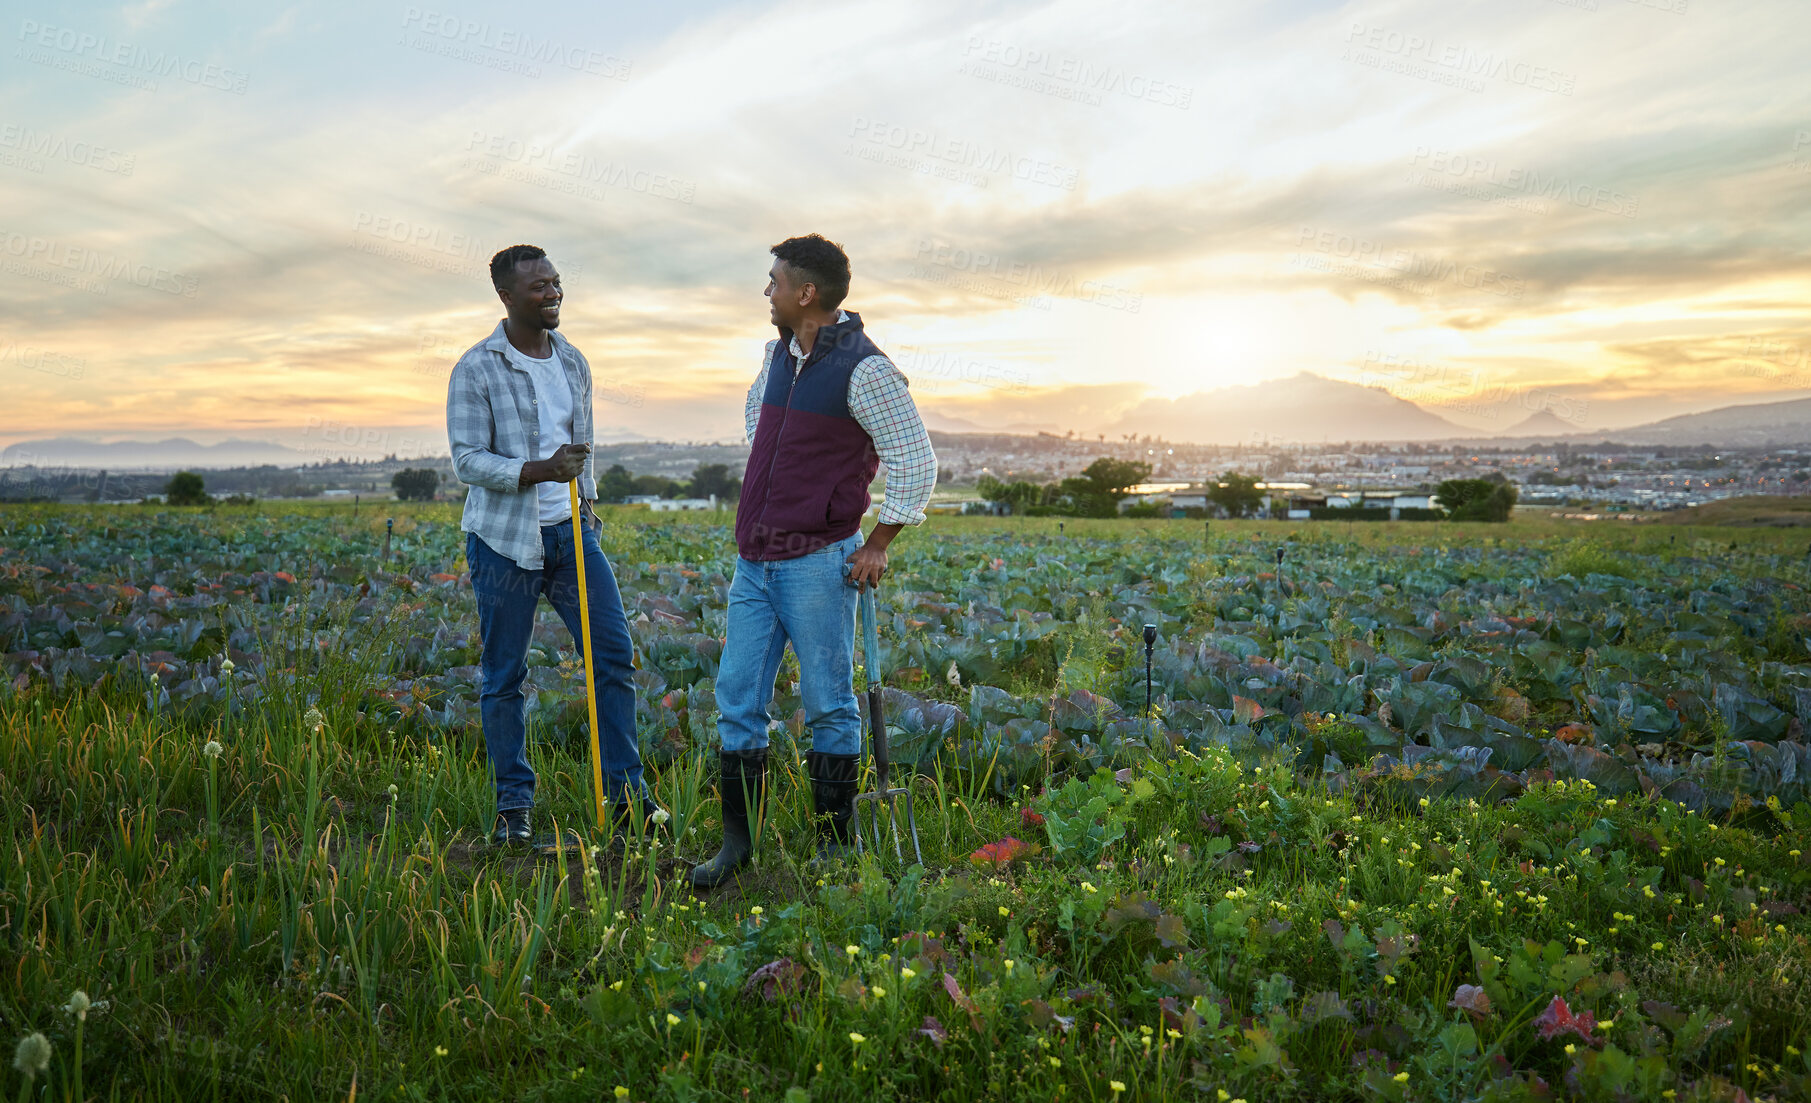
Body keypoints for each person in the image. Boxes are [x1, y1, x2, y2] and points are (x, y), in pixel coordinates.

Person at [691, 234, 937, 889]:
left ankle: (832, 849)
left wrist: (877, 542)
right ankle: (736, 848)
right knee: (737, 700)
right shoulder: (778, 356)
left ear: (806, 294)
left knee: (829, 706)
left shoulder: (866, 370)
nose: (765, 290)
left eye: (773, 280)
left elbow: (916, 461)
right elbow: (757, 424)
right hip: (755, 562)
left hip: (817, 566)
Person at [446, 243, 658, 847]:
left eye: (556, 283)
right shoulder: (477, 368)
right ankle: (514, 808)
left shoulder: (573, 362)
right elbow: (467, 460)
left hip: (572, 534)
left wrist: (584, 505)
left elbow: (581, 450)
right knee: (504, 675)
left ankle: (626, 799)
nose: (552, 293)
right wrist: (540, 470)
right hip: (505, 541)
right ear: (506, 296)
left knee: (613, 657)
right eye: (538, 287)